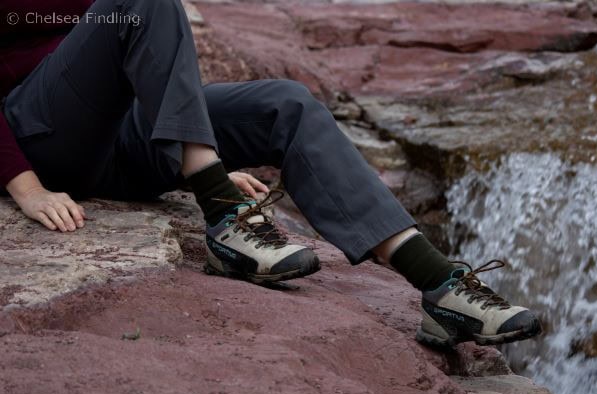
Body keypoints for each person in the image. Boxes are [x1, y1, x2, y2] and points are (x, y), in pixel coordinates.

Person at [0, 0, 541, 346]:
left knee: (285, 103)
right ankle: (224, 220)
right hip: (41, 131)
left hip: (119, 134)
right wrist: (23, 183)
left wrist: (192, 151)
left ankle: (439, 287)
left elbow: (142, 56)